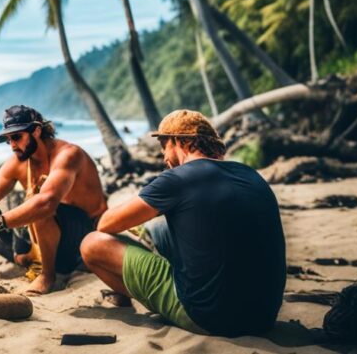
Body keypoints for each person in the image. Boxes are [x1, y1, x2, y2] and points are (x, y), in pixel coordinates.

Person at [80, 110, 286, 336]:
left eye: (164, 146)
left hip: (209, 317)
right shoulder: (250, 174)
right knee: (156, 229)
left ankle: (143, 294)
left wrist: (155, 201)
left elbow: (105, 224)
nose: (163, 156)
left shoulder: (178, 179)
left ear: (181, 141)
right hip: (264, 317)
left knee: (92, 244)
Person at [0, 105, 107, 295]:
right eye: (8, 140)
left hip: (82, 238)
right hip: (41, 238)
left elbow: (46, 203)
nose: (12, 145)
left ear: (37, 130)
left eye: (16, 137)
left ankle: (49, 276)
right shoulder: (20, 161)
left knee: (40, 207)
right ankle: (23, 257)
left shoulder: (68, 155)